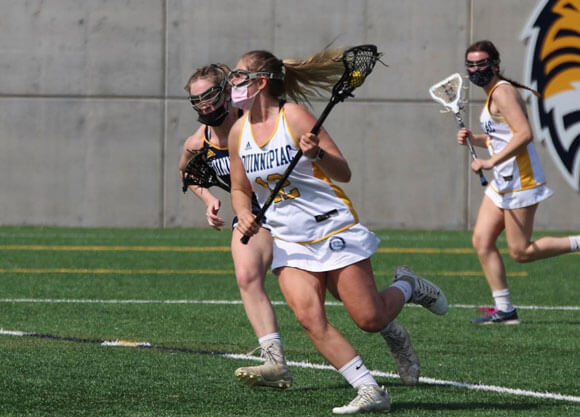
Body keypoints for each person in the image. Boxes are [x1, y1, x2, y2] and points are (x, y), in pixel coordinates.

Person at [227, 47, 449, 414]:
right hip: (289, 239)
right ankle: (369, 390)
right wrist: (243, 213)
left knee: (370, 318)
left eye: (239, 77)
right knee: (310, 317)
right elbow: (239, 187)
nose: (232, 83)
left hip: (331, 226)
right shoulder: (238, 131)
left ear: (260, 82)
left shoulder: (294, 116)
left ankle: (407, 285)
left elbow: (342, 172)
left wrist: (317, 156)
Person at [179, 63, 292, 388]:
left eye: (210, 96)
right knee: (246, 276)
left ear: (227, 93)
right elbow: (186, 172)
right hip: (251, 215)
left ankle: (403, 292)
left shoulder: (255, 126)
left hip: (291, 209)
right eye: (197, 100)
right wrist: (208, 199)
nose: (204, 105)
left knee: (357, 307)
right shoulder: (198, 143)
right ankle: (276, 364)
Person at [458, 40, 580, 325]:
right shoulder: (492, 94)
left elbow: (524, 134)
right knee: (481, 241)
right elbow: (502, 135)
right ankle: (505, 310)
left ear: (495, 64)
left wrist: (490, 162)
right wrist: (475, 139)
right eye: (471, 65)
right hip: (503, 182)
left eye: (481, 63)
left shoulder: (502, 93)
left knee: (520, 252)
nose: (476, 69)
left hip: (521, 181)